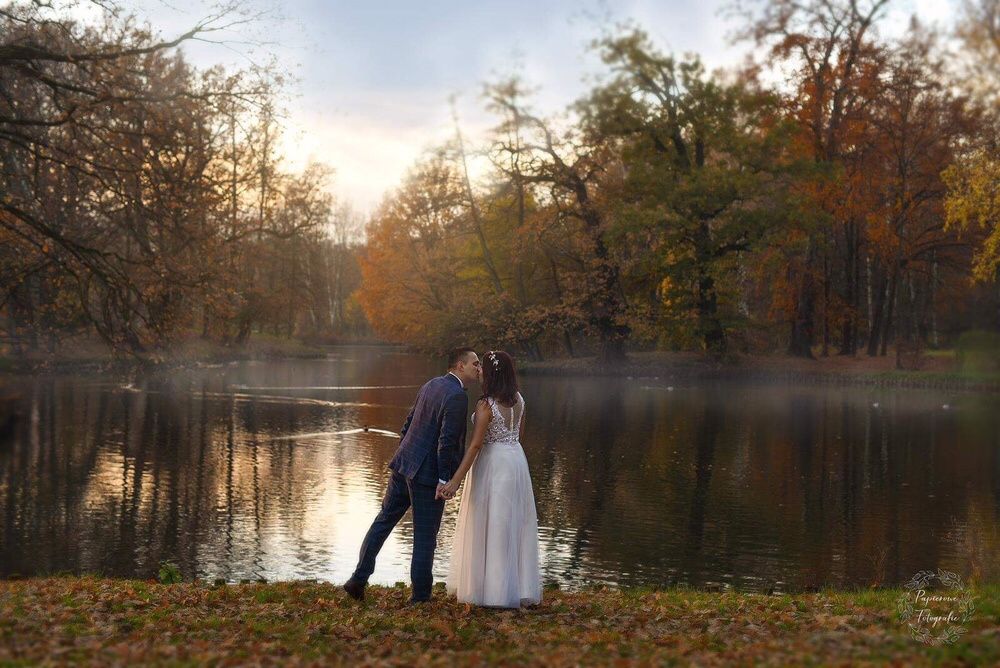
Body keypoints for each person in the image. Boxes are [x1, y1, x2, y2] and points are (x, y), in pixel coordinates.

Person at [343, 347, 481, 604]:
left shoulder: (431, 384)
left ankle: (357, 580)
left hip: (404, 464)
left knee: (383, 521)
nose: (479, 367)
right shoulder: (457, 396)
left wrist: (403, 453)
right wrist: (444, 479)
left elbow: (408, 422)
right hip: (427, 476)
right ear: (460, 366)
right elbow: (447, 442)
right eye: (475, 363)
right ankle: (420, 597)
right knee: (425, 536)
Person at [441, 350, 542, 608]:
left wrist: (455, 481)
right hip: (516, 461)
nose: (479, 370)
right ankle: (515, 586)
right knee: (511, 523)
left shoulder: (486, 405)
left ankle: (493, 593)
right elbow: (518, 433)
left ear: (492, 373)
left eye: (483, 367)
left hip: (494, 464)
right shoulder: (519, 400)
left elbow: (475, 446)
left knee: (492, 524)